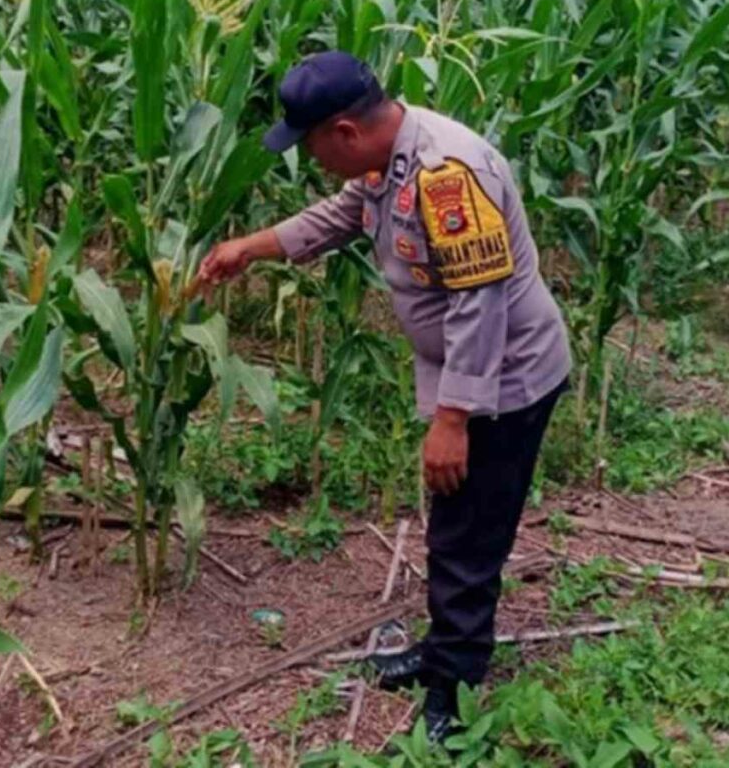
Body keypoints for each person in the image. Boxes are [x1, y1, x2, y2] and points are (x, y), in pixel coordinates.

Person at [197, 52, 571, 744]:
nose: (310, 159)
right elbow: (343, 214)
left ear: (343, 130)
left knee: (467, 536)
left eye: (310, 145)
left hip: (505, 379)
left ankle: (452, 694)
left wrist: (453, 418)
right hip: (473, 373)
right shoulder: (385, 156)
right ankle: (444, 652)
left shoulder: (447, 175)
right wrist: (253, 247)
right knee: (457, 525)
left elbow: (479, 304)